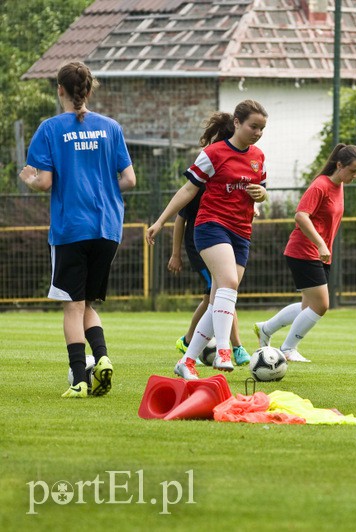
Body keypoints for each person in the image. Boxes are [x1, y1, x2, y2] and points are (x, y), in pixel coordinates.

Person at [19, 61, 136, 398]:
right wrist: (102, 187)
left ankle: (79, 379)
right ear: (88, 88)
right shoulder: (110, 127)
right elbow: (129, 179)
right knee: (87, 304)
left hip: (72, 228)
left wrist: (26, 177)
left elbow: (44, 181)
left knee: (72, 305)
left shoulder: (50, 128)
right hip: (108, 228)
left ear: (60, 90)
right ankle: (101, 358)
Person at [146, 100, 268, 380]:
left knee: (218, 301)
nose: (258, 132)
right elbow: (188, 189)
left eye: (262, 128)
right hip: (211, 226)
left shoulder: (258, 156)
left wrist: (261, 197)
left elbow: (260, 190)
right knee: (229, 283)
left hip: (241, 232)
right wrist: (160, 221)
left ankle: (187, 361)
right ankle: (224, 349)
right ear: (237, 123)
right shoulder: (213, 153)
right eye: (253, 126)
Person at [253, 144, 356, 362]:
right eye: (353, 170)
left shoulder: (339, 185)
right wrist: (321, 244)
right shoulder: (320, 185)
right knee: (321, 305)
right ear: (339, 165)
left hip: (319, 253)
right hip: (303, 251)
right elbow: (301, 216)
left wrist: (324, 248)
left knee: (307, 306)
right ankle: (287, 348)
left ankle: (266, 329)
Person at [169, 184, 250, 366]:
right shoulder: (199, 186)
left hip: (223, 245)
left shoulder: (230, 184)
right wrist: (176, 254)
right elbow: (180, 220)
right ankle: (234, 347)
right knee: (224, 290)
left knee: (215, 297)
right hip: (200, 247)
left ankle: (188, 346)